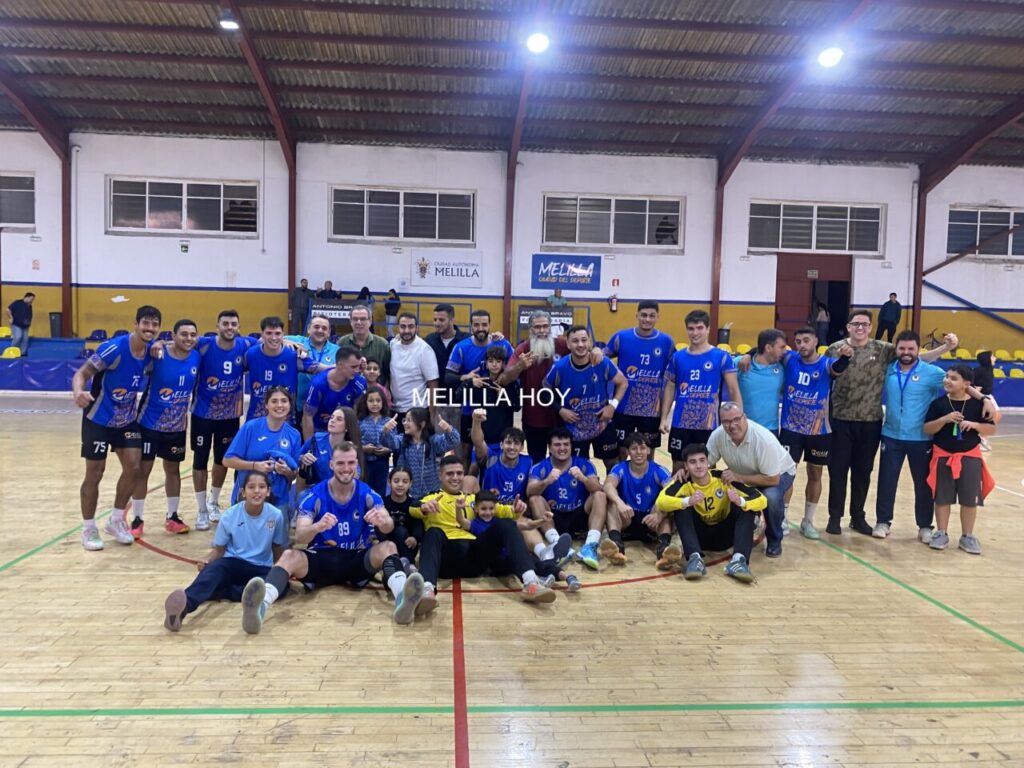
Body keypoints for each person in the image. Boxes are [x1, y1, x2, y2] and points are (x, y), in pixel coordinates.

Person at [241, 443, 426, 631]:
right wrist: (318, 526)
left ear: (357, 465)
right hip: (322, 558)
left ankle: (403, 599)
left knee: (388, 547)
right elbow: (300, 536)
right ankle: (260, 606)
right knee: (289, 556)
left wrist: (381, 521)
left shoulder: (367, 493)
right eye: (340, 463)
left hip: (357, 559)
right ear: (331, 465)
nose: (346, 468)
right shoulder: (315, 495)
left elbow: (388, 524)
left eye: (350, 463)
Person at [825, 310, 956, 536]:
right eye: (856, 323)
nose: (860, 328)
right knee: (837, 472)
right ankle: (834, 517)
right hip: (840, 419)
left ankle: (858, 517)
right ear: (848, 326)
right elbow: (825, 375)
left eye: (865, 324)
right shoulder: (834, 348)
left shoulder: (883, 349)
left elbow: (916, 359)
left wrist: (945, 348)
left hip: (871, 422)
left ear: (870, 327)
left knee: (863, 472)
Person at [412, 456, 557, 612]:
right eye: (449, 474)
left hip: (475, 556)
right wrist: (424, 507)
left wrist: (516, 509)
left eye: (459, 473)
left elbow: (503, 510)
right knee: (433, 532)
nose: (455, 478)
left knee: (506, 523)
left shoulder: (475, 499)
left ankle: (530, 582)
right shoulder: (431, 498)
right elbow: (412, 508)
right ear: (440, 475)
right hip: (447, 558)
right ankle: (427, 590)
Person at [71, 305, 162, 551]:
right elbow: (82, 373)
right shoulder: (114, 348)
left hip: (126, 421)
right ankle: (88, 528)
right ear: (136, 323)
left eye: (154, 325)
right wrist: (78, 391)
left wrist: (161, 347)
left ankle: (115, 521)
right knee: (95, 473)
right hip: (98, 419)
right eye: (146, 323)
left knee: (134, 468)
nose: (150, 328)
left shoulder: (152, 352)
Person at [162, 472, 288, 633]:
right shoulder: (230, 515)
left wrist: (280, 571)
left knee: (282, 588)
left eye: (261, 487)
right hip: (233, 563)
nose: (257, 491)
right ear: (243, 492)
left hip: (261, 568)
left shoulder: (275, 515)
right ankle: (184, 606)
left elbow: (277, 547)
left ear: (268, 491)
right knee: (213, 572)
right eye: (251, 487)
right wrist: (207, 562)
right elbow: (219, 549)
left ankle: (221, 591)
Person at [653, 443, 766, 583]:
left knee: (745, 507)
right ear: (686, 466)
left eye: (702, 460)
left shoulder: (723, 478)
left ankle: (739, 561)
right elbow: (661, 501)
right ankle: (695, 559)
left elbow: (762, 499)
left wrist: (741, 501)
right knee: (681, 506)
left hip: (725, 535)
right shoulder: (683, 482)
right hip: (699, 537)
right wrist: (688, 501)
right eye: (693, 462)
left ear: (708, 463)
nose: (698, 466)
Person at [778, 327, 851, 540]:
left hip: (819, 431)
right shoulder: (790, 358)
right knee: (786, 475)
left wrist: (845, 358)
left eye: (806, 340)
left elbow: (838, 368)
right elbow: (768, 349)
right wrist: (749, 354)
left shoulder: (826, 363)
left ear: (816, 341)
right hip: (791, 430)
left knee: (815, 474)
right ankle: (782, 517)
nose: (802, 345)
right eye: (798, 341)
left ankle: (808, 520)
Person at [131, 319, 201, 537]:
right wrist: (157, 343)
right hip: (149, 423)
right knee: (143, 471)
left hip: (177, 426)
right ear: (173, 335)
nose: (189, 339)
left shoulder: (197, 357)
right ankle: (137, 519)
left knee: (173, 471)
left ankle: (172, 517)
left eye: (192, 334)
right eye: (184, 334)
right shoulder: (157, 355)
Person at [190, 309, 256, 525]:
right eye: (225, 324)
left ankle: (213, 502)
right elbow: (177, 343)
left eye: (233, 324)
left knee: (222, 459)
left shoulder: (245, 345)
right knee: (200, 459)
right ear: (217, 326)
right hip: (202, 413)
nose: (229, 328)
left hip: (229, 416)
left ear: (238, 327)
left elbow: (272, 340)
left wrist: (293, 342)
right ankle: (201, 509)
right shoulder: (204, 344)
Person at [705, 401, 797, 558]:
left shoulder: (763, 440)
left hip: (779, 473)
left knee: (771, 497)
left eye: (736, 419)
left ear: (744, 418)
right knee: (721, 484)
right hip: (744, 473)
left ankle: (775, 539)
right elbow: (706, 463)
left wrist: (739, 477)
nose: (732, 425)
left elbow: (773, 480)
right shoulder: (718, 435)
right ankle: (744, 524)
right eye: (726, 422)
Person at [923, 365, 996, 555]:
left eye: (953, 378)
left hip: (969, 457)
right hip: (943, 455)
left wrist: (974, 425)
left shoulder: (977, 405)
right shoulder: (938, 404)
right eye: (947, 377)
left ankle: (968, 536)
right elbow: (927, 429)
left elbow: (991, 430)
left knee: (969, 499)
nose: (947, 380)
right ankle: (941, 532)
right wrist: (944, 419)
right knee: (942, 497)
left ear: (966, 384)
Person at [660, 310, 741, 473]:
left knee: (707, 469)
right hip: (681, 424)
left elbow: (733, 389)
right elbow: (670, 387)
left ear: (708, 329)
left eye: (699, 328)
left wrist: (739, 418)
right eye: (691, 328)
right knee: (678, 468)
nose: (695, 332)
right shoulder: (678, 357)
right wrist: (664, 418)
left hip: (709, 425)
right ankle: (680, 500)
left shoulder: (721, 357)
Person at [544, 324, 627, 471]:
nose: (580, 344)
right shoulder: (560, 367)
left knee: (613, 465)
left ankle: (612, 493)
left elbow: (623, 383)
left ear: (590, 342)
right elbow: (544, 391)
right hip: (574, 429)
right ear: (568, 344)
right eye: (575, 341)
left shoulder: (602, 363)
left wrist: (612, 406)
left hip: (602, 424)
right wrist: (560, 410)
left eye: (584, 340)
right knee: (576, 468)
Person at [526, 428, 608, 569]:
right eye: (557, 445)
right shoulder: (540, 467)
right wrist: (546, 481)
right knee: (535, 499)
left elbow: (597, 488)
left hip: (579, 514)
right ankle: (558, 544)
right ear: (549, 448)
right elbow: (529, 491)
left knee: (600, 495)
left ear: (571, 446)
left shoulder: (584, 464)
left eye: (566, 444)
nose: (562, 448)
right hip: (553, 517)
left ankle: (589, 547)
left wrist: (583, 478)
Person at [498, 309, 570, 463]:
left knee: (561, 462)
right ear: (530, 329)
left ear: (550, 327)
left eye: (545, 326)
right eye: (537, 327)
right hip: (533, 419)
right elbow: (503, 379)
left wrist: (596, 350)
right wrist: (520, 366)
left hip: (561, 417)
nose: (542, 331)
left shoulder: (563, 345)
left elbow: (585, 351)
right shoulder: (523, 349)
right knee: (536, 462)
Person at [605, 301, 676, 455]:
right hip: (624, 406)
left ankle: (648, 479)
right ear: (637, 315)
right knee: (622, 451)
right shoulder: (621, 337)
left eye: (652, 316)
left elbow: (676, 370)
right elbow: (601, 359)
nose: (647, 319)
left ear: (658, 317)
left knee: (648, 452)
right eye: (643, 315)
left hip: (652, 410)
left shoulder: (667, 342)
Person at [222, 386, 302, 519]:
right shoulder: (251, 427)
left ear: (290, 404)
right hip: (248, 496)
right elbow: (227, 460)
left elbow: (293, 476)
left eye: (284, 401)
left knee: (278, 540)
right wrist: (255, 466)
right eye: (274, 401)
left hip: (278, 500)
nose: (279, 405)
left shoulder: (294, 435)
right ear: (266, 405)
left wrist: (286, 471)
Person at [445, 309, 514, 458]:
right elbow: (448, 377)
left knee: (499, 448)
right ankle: (466, 480)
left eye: (484, 324)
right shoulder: (462, 347)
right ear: (471, 326)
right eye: (476, 325)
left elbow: (515, 369)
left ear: (490, 325)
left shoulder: (503, 344)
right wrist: (466, 378)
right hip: (470, 408)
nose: (480, 328)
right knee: (466, 448)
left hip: (498, 408)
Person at [602, 432, 675, 568]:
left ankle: (663, 551)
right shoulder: (621, 468)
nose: (639, 452)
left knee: (664, 506)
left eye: (642, 448)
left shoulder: (658, 470)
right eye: (634, 448)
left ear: (648, 450)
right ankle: (617, 547)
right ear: (628, 451)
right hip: (628, 518)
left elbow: (672, 493)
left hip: (651, 521)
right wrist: (620, 503)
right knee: (612, 504)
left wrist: (659, 514)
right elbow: (608, 485)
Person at [244, 316, 324, 421]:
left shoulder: (294, 355)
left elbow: (319, 368)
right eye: (269, 333)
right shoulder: (250, 354)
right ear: (262, 334)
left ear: (283, 335)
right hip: (256, 420)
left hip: (285, 421)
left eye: (277, 333)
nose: (273, 338)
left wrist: (343, 367)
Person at [382, 408, 461, 500]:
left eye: (409, 420)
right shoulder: (402, 440)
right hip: (407, 495)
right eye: (404, 420)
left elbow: (454, 441)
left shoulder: (433, 441)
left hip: (431, 494)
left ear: (422, 424)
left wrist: (448, 429)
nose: (405, 423)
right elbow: (389, 442)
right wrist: (386, 430)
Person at [302, 346, 367, 440]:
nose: (357, 370)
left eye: (358, 366)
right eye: (353, 367)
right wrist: (310, 447)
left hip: (345, 434)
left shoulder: (360, 383)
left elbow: (357, 415)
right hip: (319, 434)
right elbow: (307, 417)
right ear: (340, 365)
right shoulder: (317, 385)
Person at [424, 303, 470, 431]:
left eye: (441, 320)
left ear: (452, 320)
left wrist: (497, 337)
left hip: (462, 402)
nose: (437, 323)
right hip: (438, 402)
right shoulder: (429, 340)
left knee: (460, 447)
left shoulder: (466, 340)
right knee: (439, 445)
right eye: (435, 319)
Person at [285, 314, 340, 419]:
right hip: (299, 405)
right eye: (316, 327)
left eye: (324, 328)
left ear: (328, 333)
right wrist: (288, 342)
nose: (320, 330)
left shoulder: (337, 350)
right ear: (309, 329)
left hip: (326, 407)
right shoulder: (298, 341)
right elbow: (267, 339)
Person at [463, 347, 521, 446]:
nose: (494, 364)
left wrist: (504, 396)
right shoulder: (479, 382)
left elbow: (517, 407)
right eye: (490, 361)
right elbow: (458, 396)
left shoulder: (512, 383)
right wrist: (469, 381)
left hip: (503, 439)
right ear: (486, 363)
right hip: (482, 438)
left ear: (503, 364)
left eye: (498, 361)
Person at [388, 312, 439, 423]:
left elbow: (433, 385)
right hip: (395, 409)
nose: (406, 330)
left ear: (416, 328)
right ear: (398, 328)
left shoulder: (425, 350)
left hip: (418, 411)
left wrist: (431, 416)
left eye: (410, 326)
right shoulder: (393, 345)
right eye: (403, 326)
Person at [298, 406, 364, 486]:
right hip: (317, 489)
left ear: (347, 427)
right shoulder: (315, 439)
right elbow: (296, 458)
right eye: (332, 417)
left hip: (341, 491)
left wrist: (352, 455)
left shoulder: (350, 447)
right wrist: (303, 458)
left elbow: (355, 479)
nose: (332, 421)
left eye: (339, 419)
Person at [355, 386, 393, 495]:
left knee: (380, 489)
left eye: (378, 400)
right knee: (365, 489)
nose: (375, 404)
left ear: (383, 402)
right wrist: (363, 449)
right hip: (365, 461)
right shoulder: (360, 421)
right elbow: (354, 443)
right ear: (365, 403)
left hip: (382, 462)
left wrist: (387, 450)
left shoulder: (388, 421)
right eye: (371, 401)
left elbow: (394, 442)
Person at [338, 303, 391, 381]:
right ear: (350, 321)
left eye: (363, 319)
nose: (359, 322)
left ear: (370, 321)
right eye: (355, 319)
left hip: (375, 391)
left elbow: (388, 373)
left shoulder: (383, 345)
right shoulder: (342, 343)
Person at [382, 465, 423, 562]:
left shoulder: (413, 503)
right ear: (389, 482)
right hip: (387, 545)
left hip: (408, 544)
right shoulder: (382, 502)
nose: (400, 485)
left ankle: (410, 564)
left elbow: (418, 525)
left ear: (410, 483)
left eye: (405, 482)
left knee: (401, 531)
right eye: (396, 481)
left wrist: (415, 538)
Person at [5, 291, 34, 355]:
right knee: (18, 337)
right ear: (27, 297)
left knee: (25, 340)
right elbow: (8, 309)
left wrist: (29, 322)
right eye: (31, 299)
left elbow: (30, 315)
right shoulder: (17, 303)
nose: (32, 301)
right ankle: (12, 351)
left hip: (25, 325)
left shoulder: (29, 306)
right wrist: (11, 318)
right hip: (16, 324)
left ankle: (22, 353)